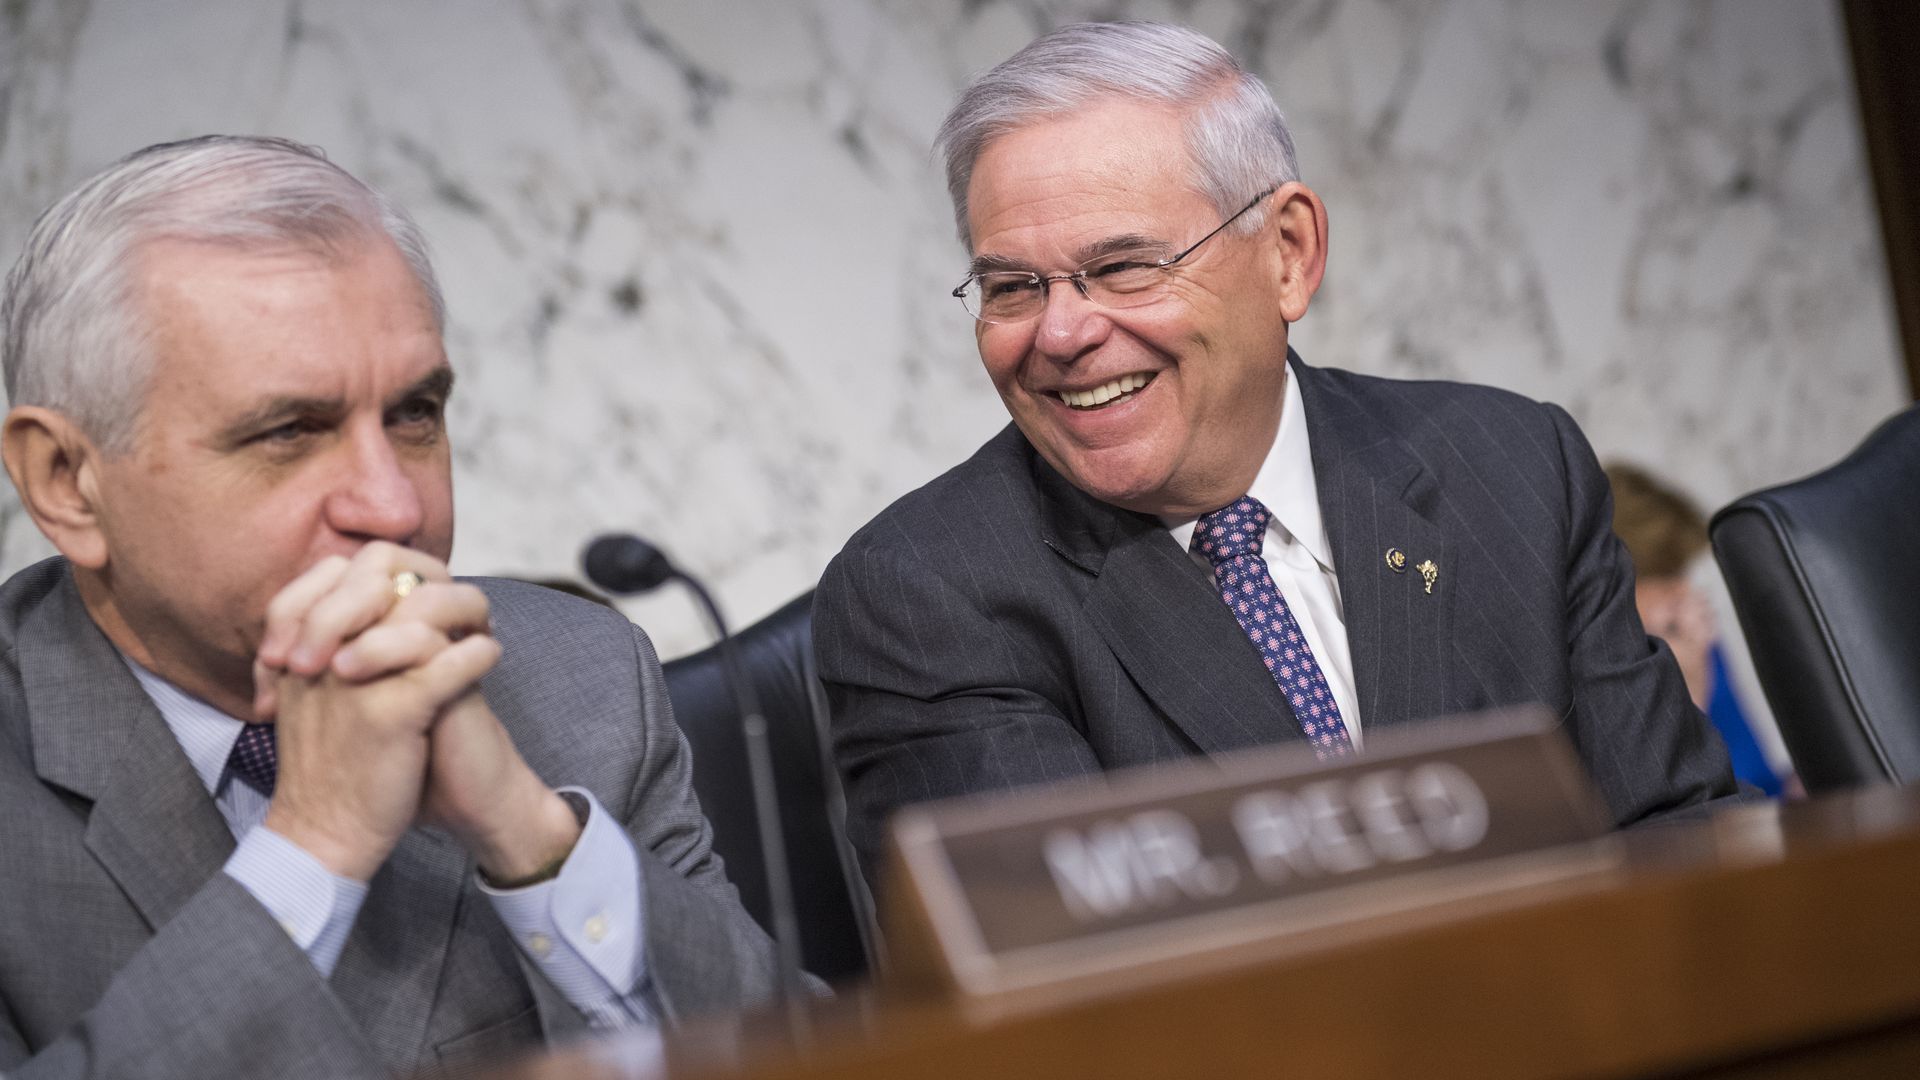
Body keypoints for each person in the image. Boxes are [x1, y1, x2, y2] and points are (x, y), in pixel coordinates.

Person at [815, 21, 1740, 882]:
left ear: (1289, 253)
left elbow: (1677, 837)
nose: (1060, 333)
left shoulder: (1510, 465)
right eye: (1011, 286)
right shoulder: (927, 594)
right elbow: (1086, 999)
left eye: (1124, 267)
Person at [0, 136, 777, 1080]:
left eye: (414, 415)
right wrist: (313, 847)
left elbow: (838, 1058)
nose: (396, 507)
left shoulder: (578, 673)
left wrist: (533, 840)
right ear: (67, 482)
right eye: (290, 430)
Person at [1604, 463, 1795, 797]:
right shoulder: (1607, 679)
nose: (1683, 590)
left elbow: (1758, 776)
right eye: (1664, 576)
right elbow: (1678, 803)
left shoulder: (1700, 644)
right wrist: (1688, 687)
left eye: (1680, 572)